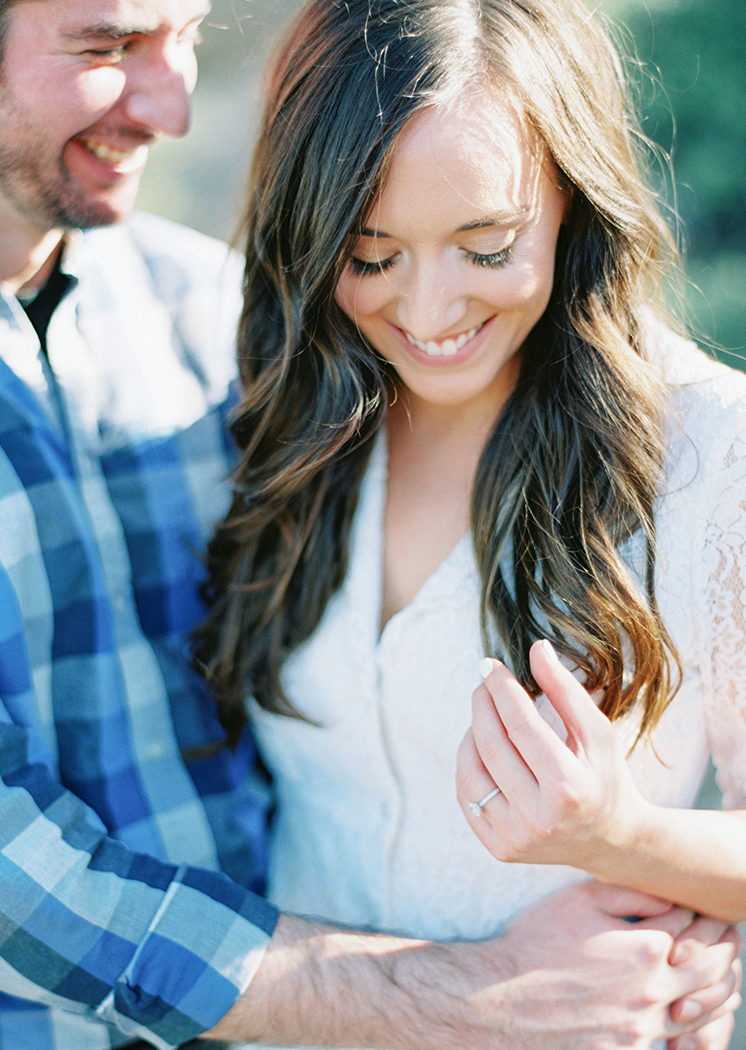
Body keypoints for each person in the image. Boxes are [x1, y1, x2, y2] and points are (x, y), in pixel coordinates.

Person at [0, 0, 739, 1048]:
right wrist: (484, 989)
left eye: (185, 35)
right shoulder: (298, 375)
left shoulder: (216, 320)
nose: (174, 103)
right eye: (107, 47)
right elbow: (3, 875)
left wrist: (642, 851)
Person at [195, 0, 746, 1046]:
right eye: (371, 254)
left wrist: (624, 836)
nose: (430, 310)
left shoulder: (713, 453)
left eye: (485, 246)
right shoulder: (288, 416)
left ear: (573, 201)